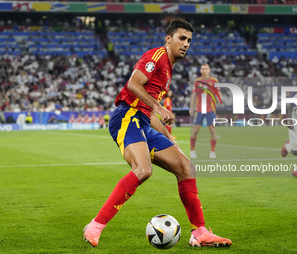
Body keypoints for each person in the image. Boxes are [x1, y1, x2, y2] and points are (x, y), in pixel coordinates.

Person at [83, 19, 232, 248]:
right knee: (143, 170)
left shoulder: (168, 70)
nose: (186, 44)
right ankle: (96, 225)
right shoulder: (157, 56)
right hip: (127, 116)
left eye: (189, 40)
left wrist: (168, 136)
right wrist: (159, 106)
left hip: (143, 120)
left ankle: (200, 232)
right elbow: (133, 84)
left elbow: (151, 112)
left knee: (186, 167)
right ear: (168, 38)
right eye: (182, 38)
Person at [189, 64, 221, 159]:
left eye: (206, 68)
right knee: (195, 130)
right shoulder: (197, 81)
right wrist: (191, 107)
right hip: (199, 108)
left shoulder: (214, 81)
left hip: (210, 109)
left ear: (209, 70)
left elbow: (218, 91)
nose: (204, 70)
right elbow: (194, 95)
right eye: (203, 69)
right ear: (201, 70)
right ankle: (192, 150)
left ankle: (212, 151)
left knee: (212, 130)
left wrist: (220, 98)